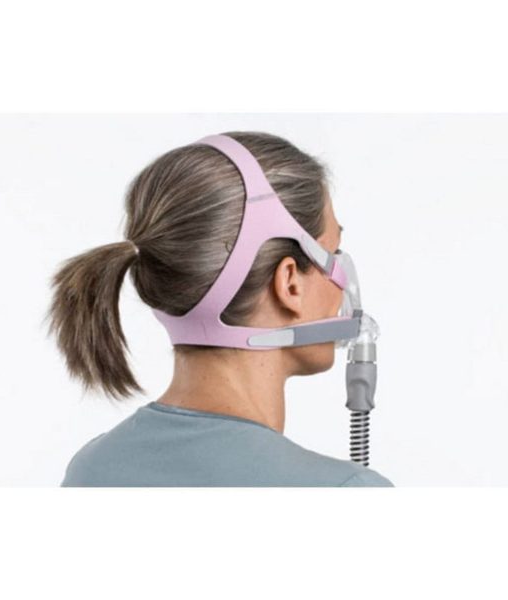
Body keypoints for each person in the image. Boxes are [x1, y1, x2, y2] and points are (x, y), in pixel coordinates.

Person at [46, 130, 394, 487]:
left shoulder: (90, 470)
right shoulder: (348, 489)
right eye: (332, 253)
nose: (342, 281)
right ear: (290, 283)